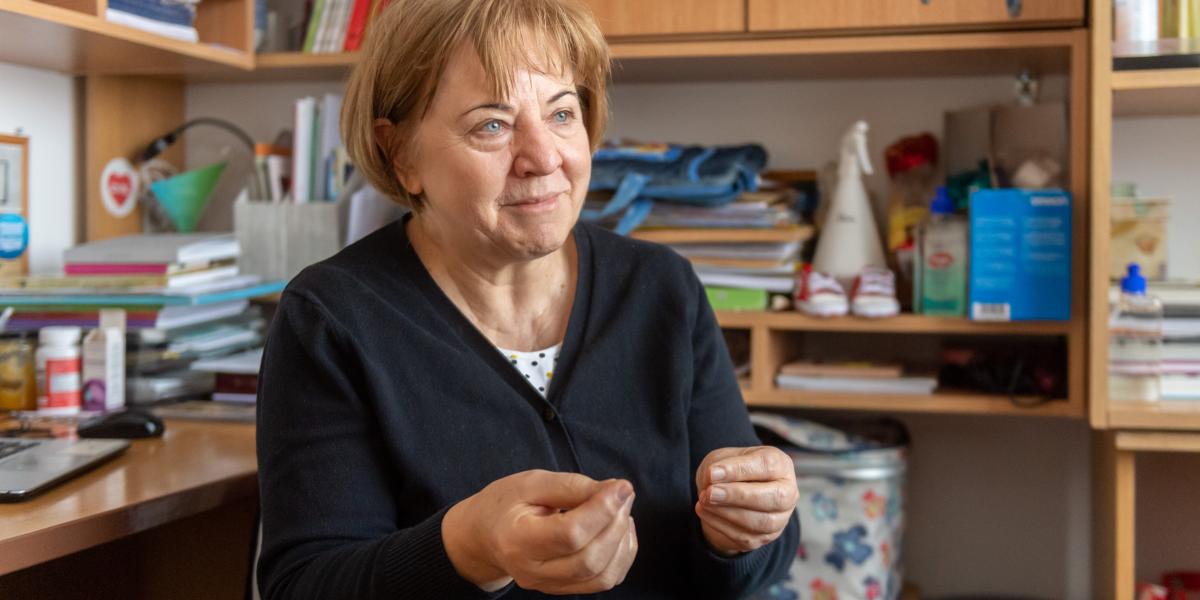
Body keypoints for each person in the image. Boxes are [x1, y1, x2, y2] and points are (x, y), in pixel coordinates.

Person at [255, 0, 800, 597]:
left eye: (561, 113)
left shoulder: (663, 288)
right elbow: (303, 585)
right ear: (401, 153)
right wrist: (469, 548)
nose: (543, 158)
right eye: (492, 125)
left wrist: (743, 531)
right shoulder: (332, 318)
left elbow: (752, 562)